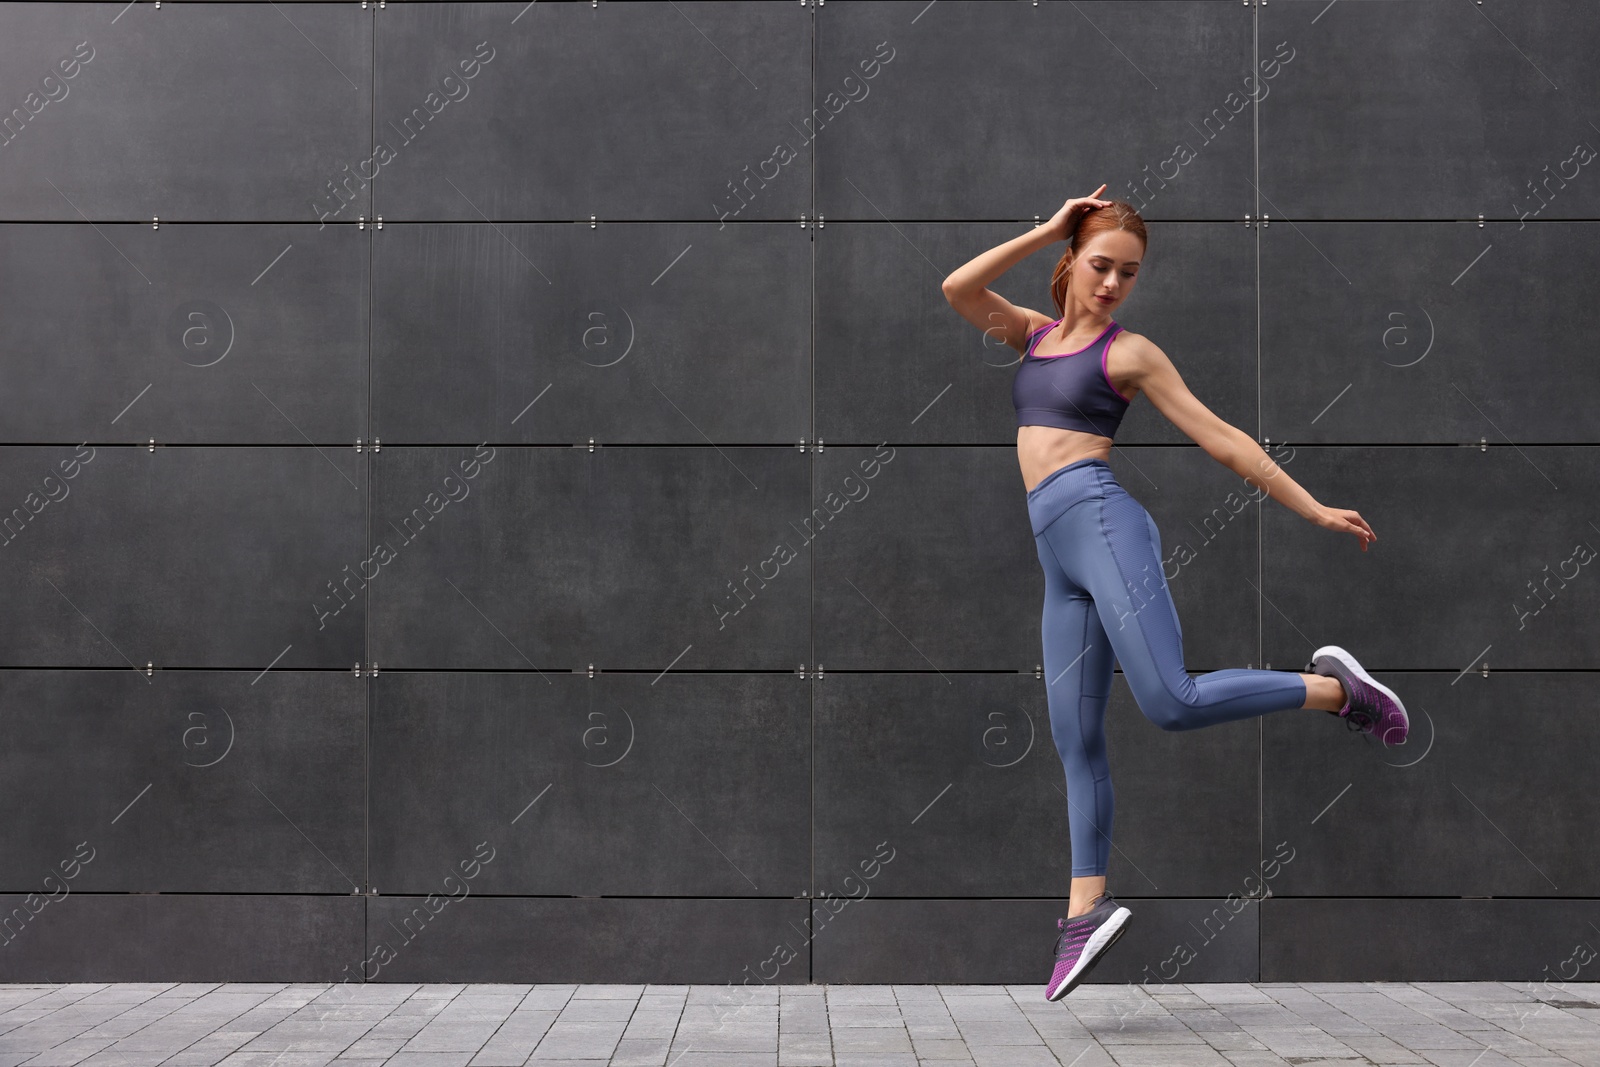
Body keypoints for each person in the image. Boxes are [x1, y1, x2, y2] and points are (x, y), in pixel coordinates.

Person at [940, 185, 1410, 1002]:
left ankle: (1339, 692)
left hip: (1100, 521)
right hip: (1058, 554)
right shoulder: (1031, 336)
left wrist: (1311, 506)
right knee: (1073, 735)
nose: (1114, 283)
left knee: (1171, 699)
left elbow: (1221, 437)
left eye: (1128, 272)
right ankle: (1083, 910)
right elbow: (958, 288)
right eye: (1099, 265)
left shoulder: (1130, 354)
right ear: (1071, 258)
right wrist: (1048, 225)